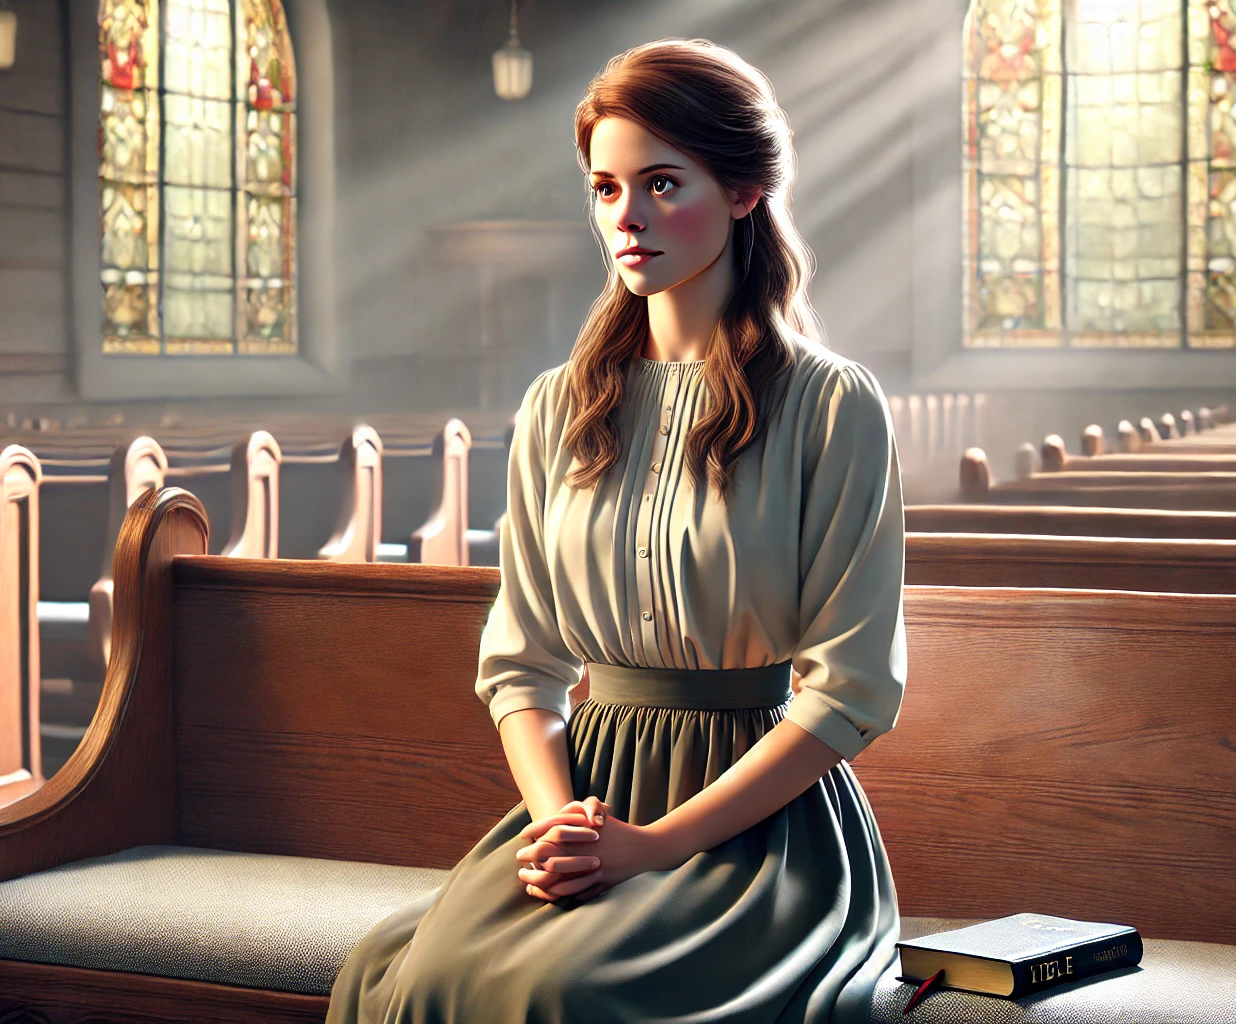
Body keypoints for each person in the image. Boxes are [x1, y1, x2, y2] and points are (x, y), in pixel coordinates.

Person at [327, 37, 906, 1023]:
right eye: (604, 188)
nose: (625, 218)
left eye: (660, 183)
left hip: (758, 827)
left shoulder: (831, 405)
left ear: (742, 192)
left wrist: (655, 844)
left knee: (567, 991)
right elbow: (522, 662)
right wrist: (563, 824)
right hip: (586, 793)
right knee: (425, 979)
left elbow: (852, 689)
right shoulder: (559, 407)